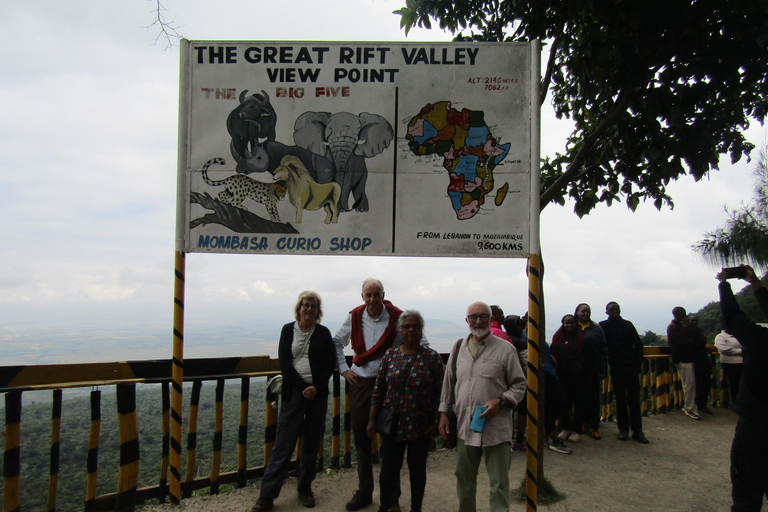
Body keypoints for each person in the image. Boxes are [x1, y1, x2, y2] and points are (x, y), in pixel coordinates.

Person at [334, 279, 426, 512]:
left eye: (377, 295)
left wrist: (420, 366)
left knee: (391, 440)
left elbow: (420, 340)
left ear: (384, 295)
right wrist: (343, 369)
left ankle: (392, 497)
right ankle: (365, 491)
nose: (372, 299)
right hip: (361, 382)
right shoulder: (354, 316)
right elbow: (336, 342)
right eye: (368, 295)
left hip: (391, 386)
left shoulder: (397, 316)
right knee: (361, 439)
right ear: (362, 296)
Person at [251, 291, 336, 511]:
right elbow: (284, 362)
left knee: (312, 441)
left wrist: (315, 387)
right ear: (299, 308)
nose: (309, 309)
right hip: (294, 394)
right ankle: (267, 496)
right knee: (284, 443)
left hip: (317, 395)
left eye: (313, 306)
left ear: (318, 311)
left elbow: (330, 363)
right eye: (305, 305)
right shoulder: (288, 330)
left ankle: (304, 487)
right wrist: (303, 388)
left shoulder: (323, 333)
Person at [439, 301, 526, 512]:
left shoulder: (505, 349)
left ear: (490, 318)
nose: (478, 321)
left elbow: (520, 384)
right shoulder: (459, 347)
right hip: (464, 428)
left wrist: (502, 401)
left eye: (483, 316)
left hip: (496, 428)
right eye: (473, 317)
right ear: (466, 320)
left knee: (499, 484)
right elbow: (449, 382)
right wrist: (443, 413)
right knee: (465, 481)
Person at [367, 311, 444, 512]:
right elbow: (379, 389)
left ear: (421, 330)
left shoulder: (432, 357)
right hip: (393, 424)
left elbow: (440, 393)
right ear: (400, 331)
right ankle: (385, 507)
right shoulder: (390, 356)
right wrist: (372, 419)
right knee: (388, 470)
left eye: (415, 326)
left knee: (417, 470)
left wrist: (435, 422)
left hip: (422, 424)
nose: (411, 330)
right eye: (407, 326)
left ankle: (415, 508)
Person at [717, 265, 768, 510]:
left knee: (747, 491)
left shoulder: (759, 341)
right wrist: (757, 286)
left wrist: (725, 285)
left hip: (755, 426)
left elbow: (732, 315)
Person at [598, 302, 648, 443]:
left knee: (634, 400)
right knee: (620, 400)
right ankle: (623, 430)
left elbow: (638, 345)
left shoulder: (627, 325)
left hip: (630, 367)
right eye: (611, 310)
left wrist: (637, 364)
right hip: (616, 368)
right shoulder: (603, 326)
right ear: (607, 312)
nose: (614, 311)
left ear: (619, 310)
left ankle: (637, 431)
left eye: (616, 309)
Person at [490, 306, 527, 452]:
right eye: (500, 314)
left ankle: (507, 440)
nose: (503, 316)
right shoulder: (507, 337)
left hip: (500, 379)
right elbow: (521, 362)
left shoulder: (493, 333)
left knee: (507, 409)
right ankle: (516, 440)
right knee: (518, 409)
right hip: (515, 379)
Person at [550, 314, 591, 442]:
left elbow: (590, 358)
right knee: (564, 403)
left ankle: (576, 430)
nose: (569, 325)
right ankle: (566, 428)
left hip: (579, 376)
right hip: (562, 376)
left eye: (572, 323)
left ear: (576, 324)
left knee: (579, 404)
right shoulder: (558, 337)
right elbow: (552, 353)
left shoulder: (583, 338)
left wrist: (583, 370)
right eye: (566, 323)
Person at [575, 303, 608, 440]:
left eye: (588, 311)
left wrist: (602, 369)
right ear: (577, 312)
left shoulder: (596, 328)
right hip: (577, 369)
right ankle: (582, 423)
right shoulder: (572, 326)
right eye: (583, 311)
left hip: (593, 369)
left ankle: (594, 426)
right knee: (580, 398)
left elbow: (603, 349)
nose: (585, 314)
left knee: (594, 399)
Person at [667, 306, 700, 420]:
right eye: (683, 313)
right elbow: (683, 342)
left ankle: (690, 406)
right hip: (682, 359)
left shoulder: (680, 326)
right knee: (689, 384)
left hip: (686, 358)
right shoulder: (673, 327)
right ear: (678, 314)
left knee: (690, 383)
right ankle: (689, 408)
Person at [688, 314, 714, 414]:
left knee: (707, 383)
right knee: (699, 385)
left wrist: (705, 347)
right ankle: (700, 405)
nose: (695, 323)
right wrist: (701, 343)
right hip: (696, 361)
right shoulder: (688, 332)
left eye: (696, 321)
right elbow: (691, 346)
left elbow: (700, 346)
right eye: (692, 321)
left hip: (703, 360)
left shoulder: (698, 331)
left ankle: (703, 404)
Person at [714, 328, 743, 404]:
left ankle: (744, 404)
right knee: (734, 384)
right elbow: (724, 349)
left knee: (743, 384)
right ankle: (736, 403)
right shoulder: (721, 337)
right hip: (729, 363)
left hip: (743, 362)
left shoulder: (739, 335)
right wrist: (741, 351)